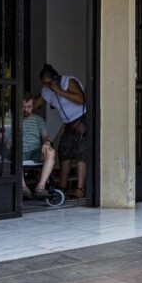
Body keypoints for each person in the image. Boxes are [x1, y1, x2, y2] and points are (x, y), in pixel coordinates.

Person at [32, 63, 91, 200]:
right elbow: (35, 104)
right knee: (64, 149)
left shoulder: (69, 81)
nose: (47, 86)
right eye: (44, 84)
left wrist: (59, 90)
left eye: (49, 83)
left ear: (56, 77)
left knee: (81, 151)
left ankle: (80, 189)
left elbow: (80, 99)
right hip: (69, 123)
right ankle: (63, 186)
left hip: (82, 119)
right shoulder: (46, 91)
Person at [19, 93, 55, 199]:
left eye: (28, 107)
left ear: (33, 107)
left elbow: (45, 136)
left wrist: (47, 142)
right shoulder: (13, 119)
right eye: (23, 107)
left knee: (51, 152)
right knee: (14, 151)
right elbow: (5, 137)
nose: (25, 109)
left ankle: (40, 187)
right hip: (19, 151)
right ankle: (23, 188)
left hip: (35, 151)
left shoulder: (39, 120)